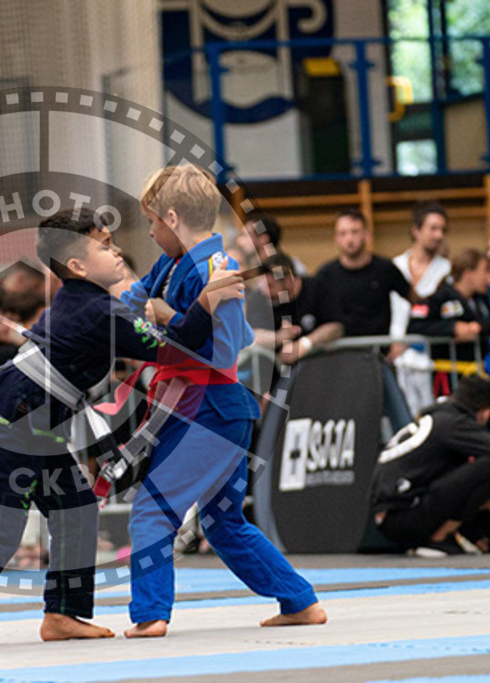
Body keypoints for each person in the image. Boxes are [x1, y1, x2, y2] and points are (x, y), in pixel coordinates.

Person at [0, 208, 244, 651]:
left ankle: (63, 613)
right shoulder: (98, 312)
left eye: (113, 242)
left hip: (32, 424)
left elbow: (139, 307)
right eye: (104, 246)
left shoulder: (88, 301)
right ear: (76, 266)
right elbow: (183, 345)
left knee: (76, 507)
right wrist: (207, 299)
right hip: (4, 422)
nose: (116, 251)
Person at [119, 164, 324, 639]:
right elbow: (129, 302)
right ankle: (299, 601)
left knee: (152, 509)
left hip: (210, 407)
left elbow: (229, 349)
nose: (149, 232)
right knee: (222, 520)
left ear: (173, 217)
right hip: (196, 406)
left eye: (152, 221)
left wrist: (168, 316)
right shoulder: (171, 264)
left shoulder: (219, 270)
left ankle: (150, 614)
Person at [371, 376, 490, 554]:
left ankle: (470, 539)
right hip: (403, 516)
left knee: (469, 475)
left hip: (392, 517)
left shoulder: (437, 417)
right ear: (485, 413)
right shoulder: (454, 423)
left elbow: (456, 493)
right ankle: (440, 536)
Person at [407, 248, 490, 387]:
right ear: (468, 273)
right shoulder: (439, 298)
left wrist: (478, 327)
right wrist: (453, 328)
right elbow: (415, 326)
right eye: (485, 271)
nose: (489, 278)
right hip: (447, 376)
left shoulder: (481, 301)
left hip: (476, 373)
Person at [390, 201, 452, 414]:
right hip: (396, 357)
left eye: (442, 229)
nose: (439, 235)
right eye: (433, 228)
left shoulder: (447, 269)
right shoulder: (394, 266)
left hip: (430, 357)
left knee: (432, 417)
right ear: (416, 230)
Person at [315, 209, 412, 340]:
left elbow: (414, 301)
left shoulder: (386, 269)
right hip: (338, 351)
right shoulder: (325, 275)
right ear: (336, 239)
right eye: (343, 233)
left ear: (367, 235)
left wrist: (402, 340)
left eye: (354, 232)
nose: (349, 239)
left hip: (378, 351)